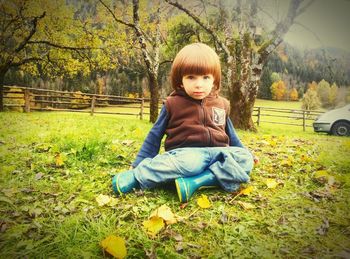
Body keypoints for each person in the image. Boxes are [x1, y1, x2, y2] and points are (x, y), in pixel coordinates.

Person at [112, 42, 255, 203]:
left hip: (218, 154)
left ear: (214, 80)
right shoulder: (173, 104)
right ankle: (137, 177)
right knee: (188, 164)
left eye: (206, 77)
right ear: (180, 80)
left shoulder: (222, 104)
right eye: (191, 77)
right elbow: (154, 135)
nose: (199, 84)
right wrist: (137, 164)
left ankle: (197, 182)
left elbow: (231, 134)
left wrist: (245, 152)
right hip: (188, 155)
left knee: (245, 159)